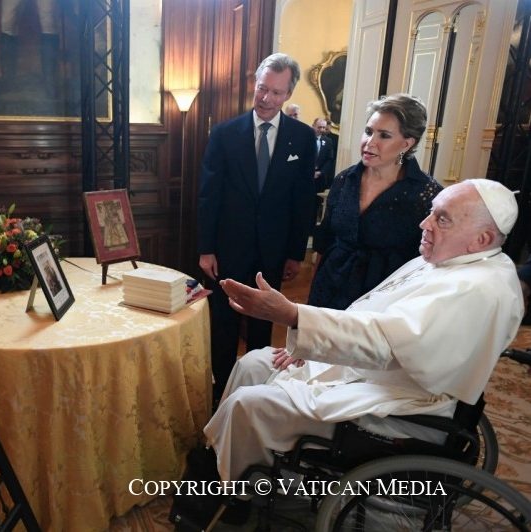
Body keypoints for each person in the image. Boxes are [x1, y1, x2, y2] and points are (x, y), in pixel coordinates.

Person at [202, 178, 522, 487]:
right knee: (252, 364)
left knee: (247, 404)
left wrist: (294, 316)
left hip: (397, 404)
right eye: (431, 212)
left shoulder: (476, 289)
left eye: (442, 219)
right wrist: (310, 342)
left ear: (481, 239)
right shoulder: (451, 260)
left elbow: (387, 342)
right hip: (371, 371)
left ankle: (243, 493)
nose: (424, 224)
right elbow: (370, 315)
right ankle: (221, 460)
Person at [197, 53, 316, 402]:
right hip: (228, 248)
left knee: (264, 324)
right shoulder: (224, 134)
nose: (266, 98)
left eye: (276, 92)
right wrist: (206, 248)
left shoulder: (302, 138)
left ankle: (254, 394)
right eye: (262, 88)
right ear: (255, 84)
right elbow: (209, 195)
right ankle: (220, 393)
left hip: (273, 250)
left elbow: (303, 199)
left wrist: (296, 252)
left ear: (288, 94)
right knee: (224, 324)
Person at [308, 94, 443, 310]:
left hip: (382, 300)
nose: (370, 143)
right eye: (369, 131)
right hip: (329, 289)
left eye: (384, 135)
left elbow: (426, 262)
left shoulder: (427, 194)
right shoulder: (345, 179)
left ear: (407, 144)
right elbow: (325, 242)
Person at [312, 117, 335, 190]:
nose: (322, 130)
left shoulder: (328, 141)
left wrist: (320, 172)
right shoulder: (306, 138)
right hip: (305, 177)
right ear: (313, 126)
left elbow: (330, 159)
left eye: (323, 127)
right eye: (319, 127)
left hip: (319, 180)